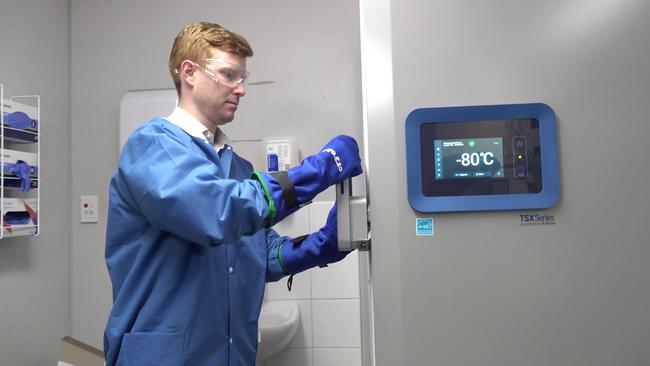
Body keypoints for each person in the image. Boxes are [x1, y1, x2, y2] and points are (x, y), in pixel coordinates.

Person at [103, 22, 362, 366]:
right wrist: (321, 169)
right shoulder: (152, 146)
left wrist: (320, 245)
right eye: (229, 75)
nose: (241, 89)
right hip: (162, 356)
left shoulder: (235, 165)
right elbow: (217, 212)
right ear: (189, 72)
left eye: (243, 78)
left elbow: (258, 254)